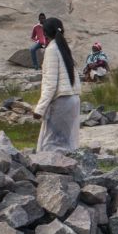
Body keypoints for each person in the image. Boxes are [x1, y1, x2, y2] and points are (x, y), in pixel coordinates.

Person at [32, 16, 81, 152]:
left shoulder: (51, 50)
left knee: (50, 144)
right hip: (73, 99)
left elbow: (50, 84)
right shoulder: (65, 48)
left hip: (62, 101)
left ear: (45, 33)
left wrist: (39, 109)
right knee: (66, 141)